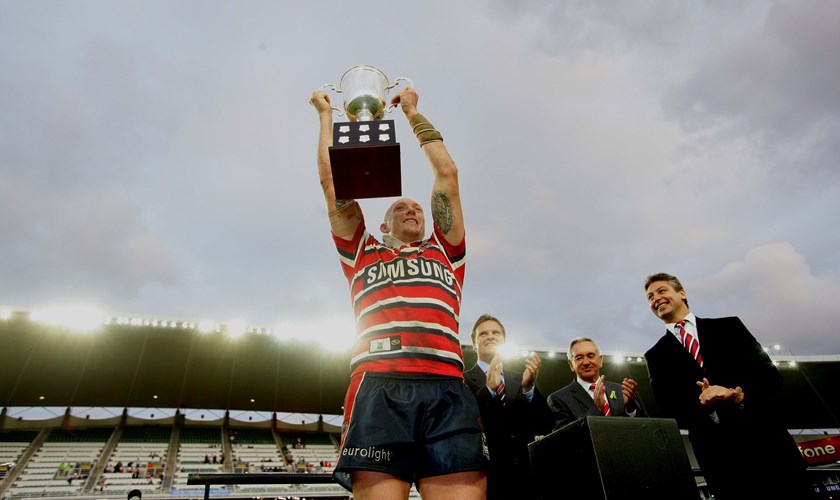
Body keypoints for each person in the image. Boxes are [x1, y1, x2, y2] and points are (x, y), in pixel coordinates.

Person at [310, 87, 487, 500]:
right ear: (383, 224)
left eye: (418, 208)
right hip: (379, 385)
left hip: (447, 387)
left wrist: (411, 112)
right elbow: (331, 180)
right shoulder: (362, 250)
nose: (412, 209)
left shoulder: (446, 251)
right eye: (400, 208)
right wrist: (325, 116)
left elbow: (448, 174)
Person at [643, 272, 813, 499]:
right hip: (721, 463)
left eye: (661, 291)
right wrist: (703, 403)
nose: (656, 298)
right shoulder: (655, 356)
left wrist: (737, 394)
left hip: (769, 448)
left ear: (682, 293)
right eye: (650, 297)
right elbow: (668, 408)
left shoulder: (730, 327)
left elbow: (770, 377)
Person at [462, 314, 554, 500]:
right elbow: (466, 421)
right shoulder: (462, 380)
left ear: (504, 340)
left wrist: (528, 389)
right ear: (474, 344)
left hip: (524, 478)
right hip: (485, 478)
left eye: (495, 332)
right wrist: (489, 390)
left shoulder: (522, 379)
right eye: (483, 334)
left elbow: (545, 424)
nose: (490, 336)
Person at [547, 337, 644, 430]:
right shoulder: (558, 399)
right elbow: (564, 437)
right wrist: (597, 408)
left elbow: (644, 426)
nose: (586, 362)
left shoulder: (621, 390)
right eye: (579, 358)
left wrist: (630, 409)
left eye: (590, 356)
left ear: (600, 360)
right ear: (571, 364)